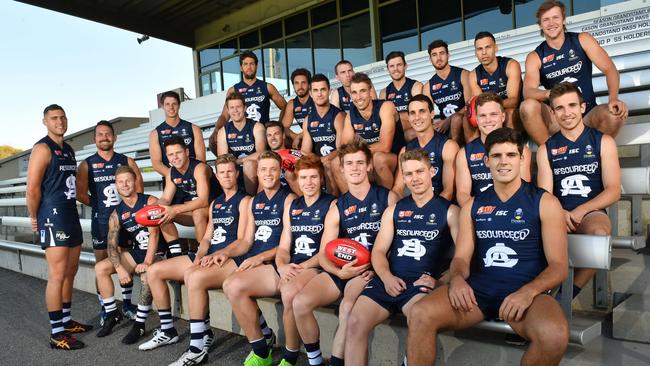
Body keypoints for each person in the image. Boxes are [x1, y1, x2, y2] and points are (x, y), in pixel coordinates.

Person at [406, 127, 570, 366]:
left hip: (525, 294)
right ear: (486, 160)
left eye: (511, 155)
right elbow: (461, 258)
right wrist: (459, 279)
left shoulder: (544, 202)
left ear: (523, 158)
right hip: (478, 293)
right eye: (496, 156)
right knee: (420, 313)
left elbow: (558, 267)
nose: (504, 162)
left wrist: (528, 291)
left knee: (554, 335)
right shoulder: (473, 206)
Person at [345, 148, 459, 365]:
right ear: (403, 177)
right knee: (354, 322)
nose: (414, 178)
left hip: (419, 283)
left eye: (420, 171)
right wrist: (386, 277)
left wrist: (441, 282)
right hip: (388, 280)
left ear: (432, 171)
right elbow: (378, 252)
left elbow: (464, 256)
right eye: (408, 174)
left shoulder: (450, 211)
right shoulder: (394, 210)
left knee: (419, 320)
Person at [293, 139, 398, 366]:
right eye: (349, 163)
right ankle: (315, 360)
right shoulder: (338, 206)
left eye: (360, 162)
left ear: (369, 166)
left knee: (348, 306)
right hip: (341, 269)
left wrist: (378, 268)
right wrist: (338, 272)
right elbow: (323, 253)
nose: (355, 168)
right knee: (300, 303)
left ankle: (337, 362)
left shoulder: (387, 198)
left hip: (366, 270)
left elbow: (397, 244)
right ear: (341, 168)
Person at [536, 82, 620, 297]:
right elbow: (544, 195)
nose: (567, 113)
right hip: (558, 213)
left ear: (582, 108)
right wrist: (558, 213)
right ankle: (538, 294)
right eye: (560, 108)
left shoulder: (604, 141)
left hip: (591, 212)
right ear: (553, 114)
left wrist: (581, 211)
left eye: (572, 105)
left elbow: (613, 191)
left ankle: (567, 295)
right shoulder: (547, 148)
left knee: (599, 234)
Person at [167, 154, 251, 365]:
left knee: (194, 278)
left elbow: (242, 240)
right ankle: (202, 338)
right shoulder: (215, 204)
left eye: (230, 171)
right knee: (190, 272)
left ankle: (196, 348)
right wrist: (200, 255)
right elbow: (206, 238)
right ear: (217, 176)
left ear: (237, 173)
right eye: (222, 172)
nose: (226, 176)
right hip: (214, 256)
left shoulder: (245, 200)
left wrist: (217, 254)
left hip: (233, 257)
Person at [27, 104, 92, 350]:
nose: (60, 121)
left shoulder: (69, 149)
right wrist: (35, 216)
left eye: (63, 117)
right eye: (54, 118)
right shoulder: (42, 148)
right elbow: (32, 188)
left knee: (71, 270)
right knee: (56, 274)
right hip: (51, 216)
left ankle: (66, 321)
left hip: (69, 214)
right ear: (45, 121)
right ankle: (56, 334)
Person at [221, 151, 296, 366]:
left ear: (280, 171)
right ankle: (262, 348)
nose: (268, 173)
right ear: (257, 173)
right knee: (230, 285)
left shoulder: (289, 199)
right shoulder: (254, 201)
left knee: (233, 286)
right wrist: (224, 252)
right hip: (257, 262)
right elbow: (245, 242)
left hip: (276, 263)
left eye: (273, 169)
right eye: (263, 169)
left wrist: (261, 257)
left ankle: (265, 351)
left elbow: (286, 244)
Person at [520, 0, 628, 146]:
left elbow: (610, 70)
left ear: (563, 19)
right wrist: (549, 93)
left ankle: (594, 156)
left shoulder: (582, 39)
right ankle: (550, 155)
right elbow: (528, 91)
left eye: (555, 17)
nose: (551, 23)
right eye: (546, 19)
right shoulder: (535, 56)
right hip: (558, 119)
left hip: (587, 114)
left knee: (614, 114)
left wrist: (613, 98)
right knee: (527, 106)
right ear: (540, 24)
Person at [94, 166, 182, 342]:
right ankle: (111, 314)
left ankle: (139, 324)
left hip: (157, 251)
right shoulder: (116, 213)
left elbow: (155, 234)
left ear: (135, 181)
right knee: (100, 268)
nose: (125, 185)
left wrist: (148, 262)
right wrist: (119, 268)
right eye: (120, 182)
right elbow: (111, 245)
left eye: (128, 180)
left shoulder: (149, 201)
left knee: (146, 275)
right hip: (137, 252)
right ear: (116, 186)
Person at [76, 120, 144, 323]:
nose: (104, 137)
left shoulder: (126, 161)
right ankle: (106, 308)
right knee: (102, 265)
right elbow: (80, 194)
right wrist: (98, 206)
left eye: (108, 134)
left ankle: (127, 304)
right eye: (100, 134)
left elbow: (138, 190)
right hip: (101, 222)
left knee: (124, 258)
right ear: (94, 138)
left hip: (125, 221)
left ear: (114, 138)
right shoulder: (87, 164)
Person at [455, 92, 531, 207]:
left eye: (493, 114)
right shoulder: (464, 153)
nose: (488, 120)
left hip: (513, 211)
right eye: (482, 116)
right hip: (480, 213)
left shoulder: (520, 149)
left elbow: (524, 190)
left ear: (503, 116)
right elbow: (462, 194)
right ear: (476, 119)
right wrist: (478, 213)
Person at [212, 50, 288, 150]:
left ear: (256, 66)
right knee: (212, 143)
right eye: (246, 64)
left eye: (252, 64)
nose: (249, 67)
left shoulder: (267, 87)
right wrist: (216, 130)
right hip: (243, 134)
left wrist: (280, 126)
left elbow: (285, 106)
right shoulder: (234, 90)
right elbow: (224, 115)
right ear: (241, 67)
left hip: (263, 134)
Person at [393, 95, 459, 200]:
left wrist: (427, 211)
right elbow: (398, 188)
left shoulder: (448, 146)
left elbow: (449, 191)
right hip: (415, 208)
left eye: (422, 111)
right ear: (409, 117)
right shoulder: (405, 151)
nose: (417, 117)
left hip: (441, 208)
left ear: (432, 114)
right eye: (412, 113)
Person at [158, 136, 221, 244]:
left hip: (216, 209)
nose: (175, 157)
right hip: (194, 210)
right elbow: (165, 199)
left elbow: (203, 201)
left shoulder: (200, 168)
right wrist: (155, 208)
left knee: (198, 213)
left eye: (178, 152)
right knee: (161, 213)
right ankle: (175, 251)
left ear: (186, 152)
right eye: (171, 154)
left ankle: (202, 252)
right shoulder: (170, 172)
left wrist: (176, 209)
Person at [342, 73, 399, 190]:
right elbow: (344, 147)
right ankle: (350, 202)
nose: (358, 97)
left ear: (370, 90)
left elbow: (385, 146)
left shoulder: (385, 106)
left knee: (378, 158)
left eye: (362, 91)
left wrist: (359, 152)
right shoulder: (350, 115)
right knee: (336, 163)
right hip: (368, 158)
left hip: (394, 159)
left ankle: (386, 200)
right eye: (354, 92)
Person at [300, 73, 346, 195]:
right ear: (310, 93)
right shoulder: (308, 120)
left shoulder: (338, 116)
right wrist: (314, 160)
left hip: (335, 160)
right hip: (319, 160)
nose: (319, 94)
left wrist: (324, 159)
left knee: (328, 165)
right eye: (315, 90)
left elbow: (341, 148)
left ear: (329, 91)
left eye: (323, 89)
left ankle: (332, 202)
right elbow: (305, 150)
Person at [468, 31, 522, 131]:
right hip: (490, 113)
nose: (484, 52)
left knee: (509, 113)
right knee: (469, 120)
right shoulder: (473, 75)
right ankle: (477, 146)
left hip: (516, 113)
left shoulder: (510, 65)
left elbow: (513, 101)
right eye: (480, 49)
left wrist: (489, 106)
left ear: (495, 48)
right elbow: (480, 104)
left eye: (488, 47)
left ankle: (511, 145)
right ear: (475, 53)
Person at [215, 92, 267, 194]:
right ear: (228, 110)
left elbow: (261, 153)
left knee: (248, 164)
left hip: (254, 168)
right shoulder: (223, 131)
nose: (235, 110)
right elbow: (222, 159)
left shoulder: (257, 127)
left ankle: (251, 198)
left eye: (238, 107)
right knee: (224, 169)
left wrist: (239, 161)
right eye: (232, 107)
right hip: (234, 170)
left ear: (244, 108)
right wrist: (234, 165)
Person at [422, 40, 471, 143]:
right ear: (430, 59)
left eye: (442, 53)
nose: (438, 58)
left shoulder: (463, 74)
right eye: (434, 55)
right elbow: (426, 114)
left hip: (465, 121)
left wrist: (449, 120)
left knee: (456, 119)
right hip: (444, 125)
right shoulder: (428, 86)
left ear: (448, 55)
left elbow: (469, 105)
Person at [149, 90, 206, 178]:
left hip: (194, 176)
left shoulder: (194, 129)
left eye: (174, 104)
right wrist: (174, 176)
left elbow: (201, 157)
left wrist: (190, 174)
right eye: (167, 104)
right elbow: (156, 163)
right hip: (171, 179)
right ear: (162, 107)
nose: (171, 107)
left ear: (179, 105)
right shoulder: (155, 134)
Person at [379, 51, 423, 142]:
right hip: (394, 135)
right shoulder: (384, 92)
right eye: (392, 66)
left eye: (399, 65)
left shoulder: (416, 86)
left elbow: (419, 115)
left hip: (414, 131)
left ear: (405, 66)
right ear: (388, 70)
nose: (396, 69)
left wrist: (395, 116)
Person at [282, 68, 315, 148]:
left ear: (309, 84)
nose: (300, 87)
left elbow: (320, 125)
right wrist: (295, 136)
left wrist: (299, 136)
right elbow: (283, 127)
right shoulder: (292, 104)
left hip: (319, 136)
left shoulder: (316, 99)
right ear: (293, 85)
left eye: (303, 83)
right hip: (305, 139)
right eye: (296, 83)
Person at [265, 121, 301, 194]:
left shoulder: (295, 154)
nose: (273, 138)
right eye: (269, 135)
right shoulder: (263, 159)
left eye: (276, 134)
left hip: (294, 196)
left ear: (283, 135)